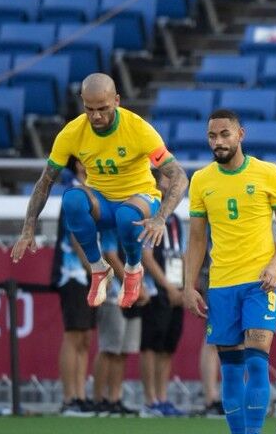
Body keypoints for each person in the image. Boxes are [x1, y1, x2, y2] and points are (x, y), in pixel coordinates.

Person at [11, 73, 188, 312]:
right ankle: (98, 268)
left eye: (102, 109)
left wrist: (160, 218)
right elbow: (45, 182)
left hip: (140, 198)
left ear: (116, 100)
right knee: (72, 199)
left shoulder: (138, 129)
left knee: (126, 216)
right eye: (89, 109)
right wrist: (28, 227)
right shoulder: (72, 133)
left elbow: (179, 176)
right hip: (102, 201)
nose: (95, 116)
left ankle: (134, 269)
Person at [183, 109, 276, 434]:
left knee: (257, 356)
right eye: (212, 135)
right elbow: (197, 238)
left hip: (261, 282)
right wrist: (189, 285)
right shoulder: (200, 181)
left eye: (225, 134)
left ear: (240, 134)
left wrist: (274, 265)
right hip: (221, 285)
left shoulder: (267, 173)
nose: (218, 142)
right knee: (229, 369)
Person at [52, 157, 121, 417]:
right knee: (73, 335)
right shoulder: (75, 192)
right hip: (73, 273)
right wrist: (94, 268)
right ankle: (70, 397)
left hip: (89, 274)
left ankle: (80, 395)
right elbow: (75, 236)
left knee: (85, 337)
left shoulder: (98, 193)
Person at [139, 170, 187, 417]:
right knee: (151, 344)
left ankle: (163, 397)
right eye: (169, 180)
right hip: (156, 290)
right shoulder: (150, 213)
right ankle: (150, 399)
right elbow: (146, 256)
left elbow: (183, 253)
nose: (174, 185)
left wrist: (184, 287)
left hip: (176, 290)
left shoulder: (176, 220)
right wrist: (168, 287)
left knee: (168, 346)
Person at [92, 270, 144, 416]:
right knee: (108, 348)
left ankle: (114, 399)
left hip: (133, 293)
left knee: (122, 351)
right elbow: (111, 255)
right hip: (114, 293)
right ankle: (98, 399)